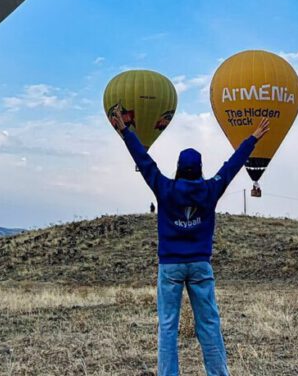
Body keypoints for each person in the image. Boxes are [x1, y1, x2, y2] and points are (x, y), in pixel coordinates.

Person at [110, 108, 270, 376]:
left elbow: (145, 161)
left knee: (168, 326)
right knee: (208, 323)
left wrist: (126, 132)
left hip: (170, 265)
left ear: (178, 168)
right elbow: (231, 166)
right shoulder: (211, 188)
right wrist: (252, 138)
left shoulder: (164, 188)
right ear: (199, 169)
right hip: (200, 264)